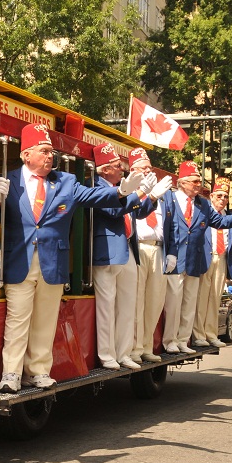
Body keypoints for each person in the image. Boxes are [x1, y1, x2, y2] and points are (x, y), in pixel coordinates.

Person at [0, 124, 151, 392]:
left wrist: (123, 192)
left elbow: (95, 196)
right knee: (17, 319)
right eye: (44, 151)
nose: (49, 156)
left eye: (51, 151)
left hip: (52, 261)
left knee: (45, 319)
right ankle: (11, 373)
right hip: (19, 260)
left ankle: (39, 370)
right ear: (26, 154)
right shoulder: (9, 180)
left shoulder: (65, 182)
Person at [90, 143, 171, 370]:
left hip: (127, 249)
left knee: (127, 305)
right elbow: (115, 209)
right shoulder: (97, 186)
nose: (121, 169)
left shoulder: (122, 186)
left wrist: (152, 198)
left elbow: (139, 211)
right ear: (104, 169)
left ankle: (124, 352)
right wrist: (142, 192)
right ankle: (107, 355)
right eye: (117, 166)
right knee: (107, 306)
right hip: (106, 252)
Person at [160, 161, 232, 355]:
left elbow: (220, 222)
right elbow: (165, 227)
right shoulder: (170, 198)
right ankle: (170, 340)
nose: (198, 184)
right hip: (175, 259)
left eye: (199, 180)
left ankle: (183, 340)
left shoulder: (202, 204)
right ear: (182, 182)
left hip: (194, 260)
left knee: (189, 303)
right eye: (194, 181)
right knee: (174, 302)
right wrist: (168, 252)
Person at [193, 176, 232, 348]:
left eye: (225, 196)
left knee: (215, 298)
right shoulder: (205, 212)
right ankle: (198, 334)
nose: (223, 200)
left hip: (222, 258)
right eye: (219, 196)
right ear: (211, 196)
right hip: (205, 257)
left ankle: (211, 333)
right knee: (201, 298)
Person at [126, 149, 166, 364]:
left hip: (157, 248)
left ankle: (147, 345)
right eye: (143, 167)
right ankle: (134, 347)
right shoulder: (130, 189)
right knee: (136, 300)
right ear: (132, 169)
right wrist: (148, 194)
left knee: (154, 300)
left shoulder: (161, 193)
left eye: (150, 167)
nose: (149, 170)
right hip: (138, 246)